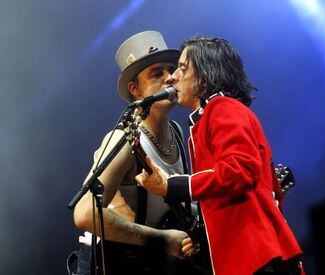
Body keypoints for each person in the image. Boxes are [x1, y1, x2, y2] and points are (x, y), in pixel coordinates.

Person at [136, 37, 305, 275]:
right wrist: (200, 236)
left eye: (183, 68)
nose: (173, 77)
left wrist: (171, 185)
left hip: (257, 259)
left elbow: (240, 171)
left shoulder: (222, 108)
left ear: (206, 75)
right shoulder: (206, 121)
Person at [71, 31, 198, 275]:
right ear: (135, 89)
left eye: (171, 69)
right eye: (156, 73)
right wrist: (161, 239)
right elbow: (85, 213)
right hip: (116, 264)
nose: (170, 78)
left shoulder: (177, 131)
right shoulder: (124, 140)